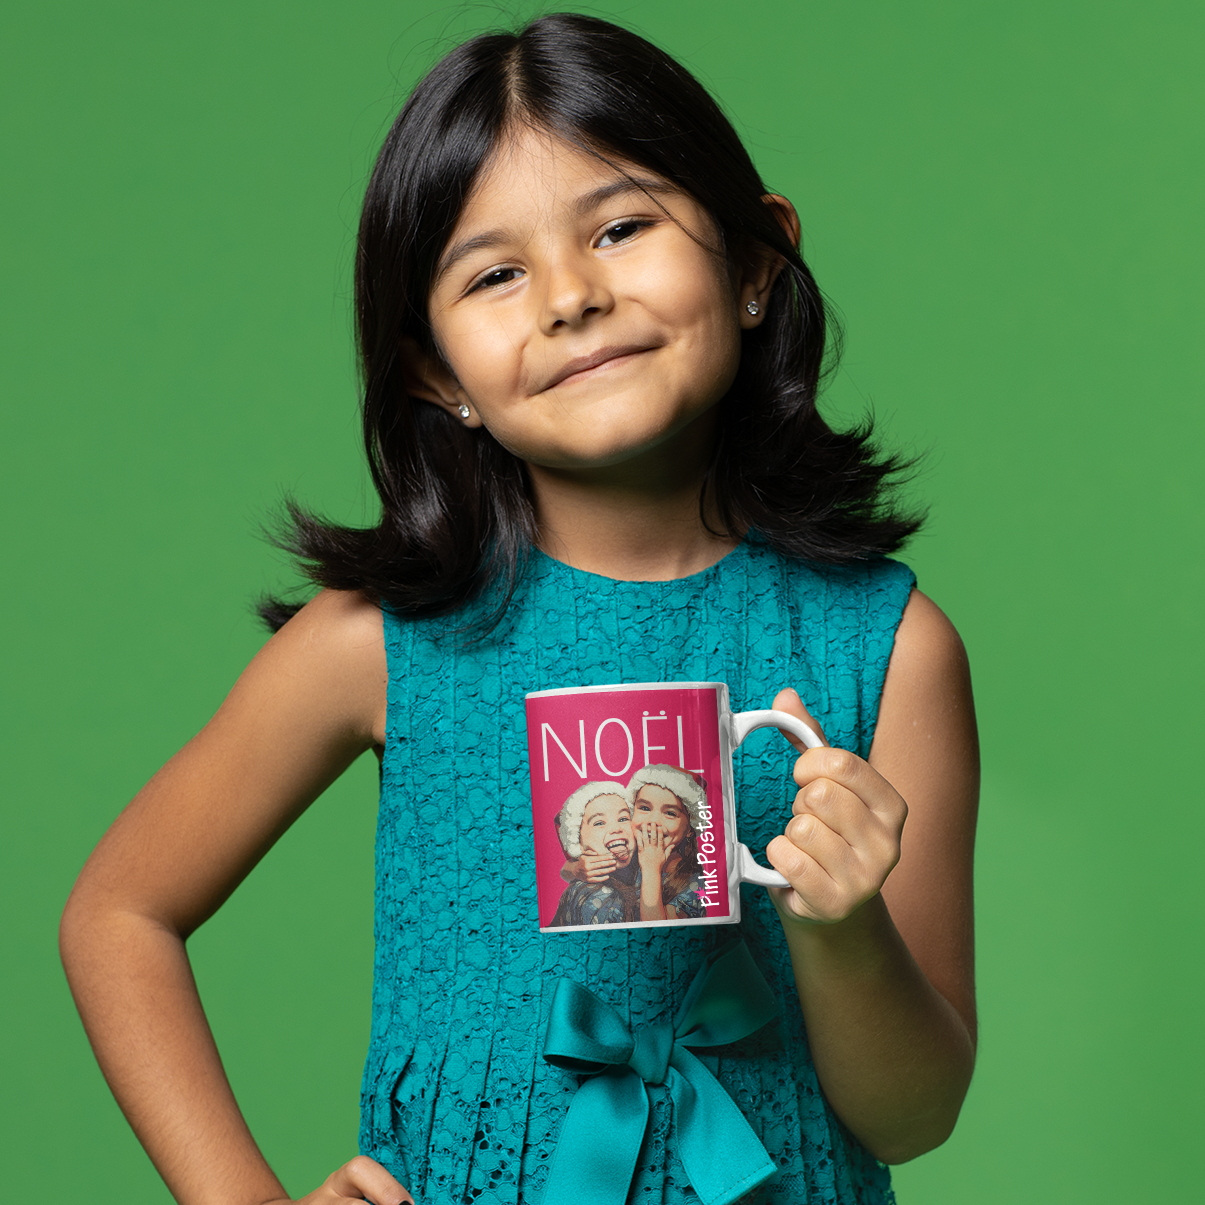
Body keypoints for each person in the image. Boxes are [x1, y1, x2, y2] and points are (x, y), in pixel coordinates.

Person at [59, 13, 978, 1205]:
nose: (570, 297)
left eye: (622, 225)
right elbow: (119, 910)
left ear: (755, 263)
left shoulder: (886, 648)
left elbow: (911, 1116)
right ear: (437, 373)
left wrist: (842, 923)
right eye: (495, 273)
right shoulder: (376, 645)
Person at [548, 782, 638, 927]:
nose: (616, 828)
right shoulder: (595, 897)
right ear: (578, 841)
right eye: (599, 823)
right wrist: (572, 867)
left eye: (623, 819)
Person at [630, 764, 708, 921]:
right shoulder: (626, 861)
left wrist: (651, 869)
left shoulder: (694, 884)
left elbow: (658, 933)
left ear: (690, 829)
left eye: (670, 813)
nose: (653, 821)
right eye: (645, 808)